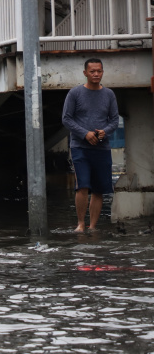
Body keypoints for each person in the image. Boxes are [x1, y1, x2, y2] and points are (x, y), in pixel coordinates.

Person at [61, 58, 119, 232]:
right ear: (85, 73)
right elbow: (66, 119)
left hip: (102, 148)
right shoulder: (75, 93)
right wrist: (84, 134)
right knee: (83, 186)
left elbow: (114, 120)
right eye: (92, 71)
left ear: (102, 72)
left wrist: (105, 131)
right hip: (80, 147)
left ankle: (93, 226)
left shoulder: (109, 94)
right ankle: (80, 224)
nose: (96, 74)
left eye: (99, 71)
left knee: (99, 189)